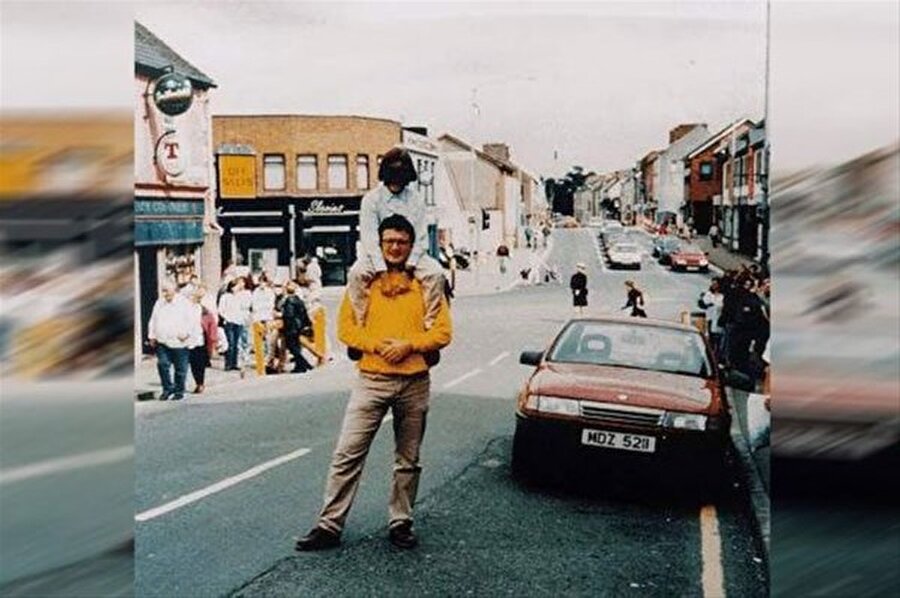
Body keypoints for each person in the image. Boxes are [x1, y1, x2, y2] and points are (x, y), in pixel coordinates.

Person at [295, 214, 453, 552]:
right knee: (347, 454)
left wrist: (409, 345)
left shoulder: (427, 285)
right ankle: (329, 525)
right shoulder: (363, 284)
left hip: (415, 382)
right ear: (379, 246)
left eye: (401, 242)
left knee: (408, 459)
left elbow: (443, 331)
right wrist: (378, 345)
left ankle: (401, 521)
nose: (395, 247)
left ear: (411, 247)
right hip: (371, 380)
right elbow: (346, 330)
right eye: (389, 242)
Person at [347, 147, 444, 338]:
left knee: (436, 274)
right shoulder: (371, 200)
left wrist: (409, 267)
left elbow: (421, 236)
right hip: (379, 253)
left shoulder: (416, 199)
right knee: (356, 274)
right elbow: (369, 238)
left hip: (409, 252)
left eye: (401, 180)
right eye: (392, 180)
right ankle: (360, 325)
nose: (396, 185)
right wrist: (382, 271)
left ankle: (429, 324)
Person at [147, 281, 195, 401]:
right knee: (162, 364)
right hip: (162, 340)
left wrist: (186, 333)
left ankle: (179, 390)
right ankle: (167, 389)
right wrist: (151, 336)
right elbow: (153, 319)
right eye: (163, 290)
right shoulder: (159, 303)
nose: (164, 293)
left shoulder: (184, 303)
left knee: (180, 368)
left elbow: (192, 321)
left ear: (174, 290)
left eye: (166, 290)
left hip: (179, 341)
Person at [218, 277, 251, 372]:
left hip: (239, 321)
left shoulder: (240, 296)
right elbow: (221, 309)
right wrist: (226, 317)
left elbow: (244, 307)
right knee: (230, 343)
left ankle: (234, 363)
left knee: (236, 343)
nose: (238, 288)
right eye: (236, 286)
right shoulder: (225, 297)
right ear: (232, 287)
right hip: (229, 321)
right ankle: (228, 363)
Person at [188, 285, 217, 394]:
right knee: (192, 363)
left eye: (193, 297)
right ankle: (197, 381)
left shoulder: (204, 311)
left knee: (199, 362)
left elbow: (212, 325)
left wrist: (214, 340)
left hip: (200, 339)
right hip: (187, 340)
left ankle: (200, 383)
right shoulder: (183, 310)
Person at [281, 281, 314, 373]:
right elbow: (304, 314)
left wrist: (281, 315)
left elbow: (289, 315)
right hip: (299, 326)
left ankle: (305, 364)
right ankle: (300, 366)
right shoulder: (299, 300)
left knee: (292, 347)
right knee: (296, 346)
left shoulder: (289, 301)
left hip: (291, 327)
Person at [251, 277, 276, 376]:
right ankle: (262, 360)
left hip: (267, 316)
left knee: (269, 339)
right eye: (260, 282)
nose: (261, 284)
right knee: (259, 339)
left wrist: (263, 307)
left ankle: (269, 359)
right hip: (258, 317)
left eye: (263, 282)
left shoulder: (270, 292)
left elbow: (270, 304)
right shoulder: (256, 292)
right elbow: (254, 305)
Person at [700, 279, 725, 360]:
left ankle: (717, 356)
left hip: (719, 319)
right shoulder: (709, 294)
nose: (714, 285)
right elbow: (705, 303)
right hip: (710, 318)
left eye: (716, 284)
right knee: (710, 338)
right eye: (713, 284)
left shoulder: (722, 295)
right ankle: (709, 355)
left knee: (718, 339)